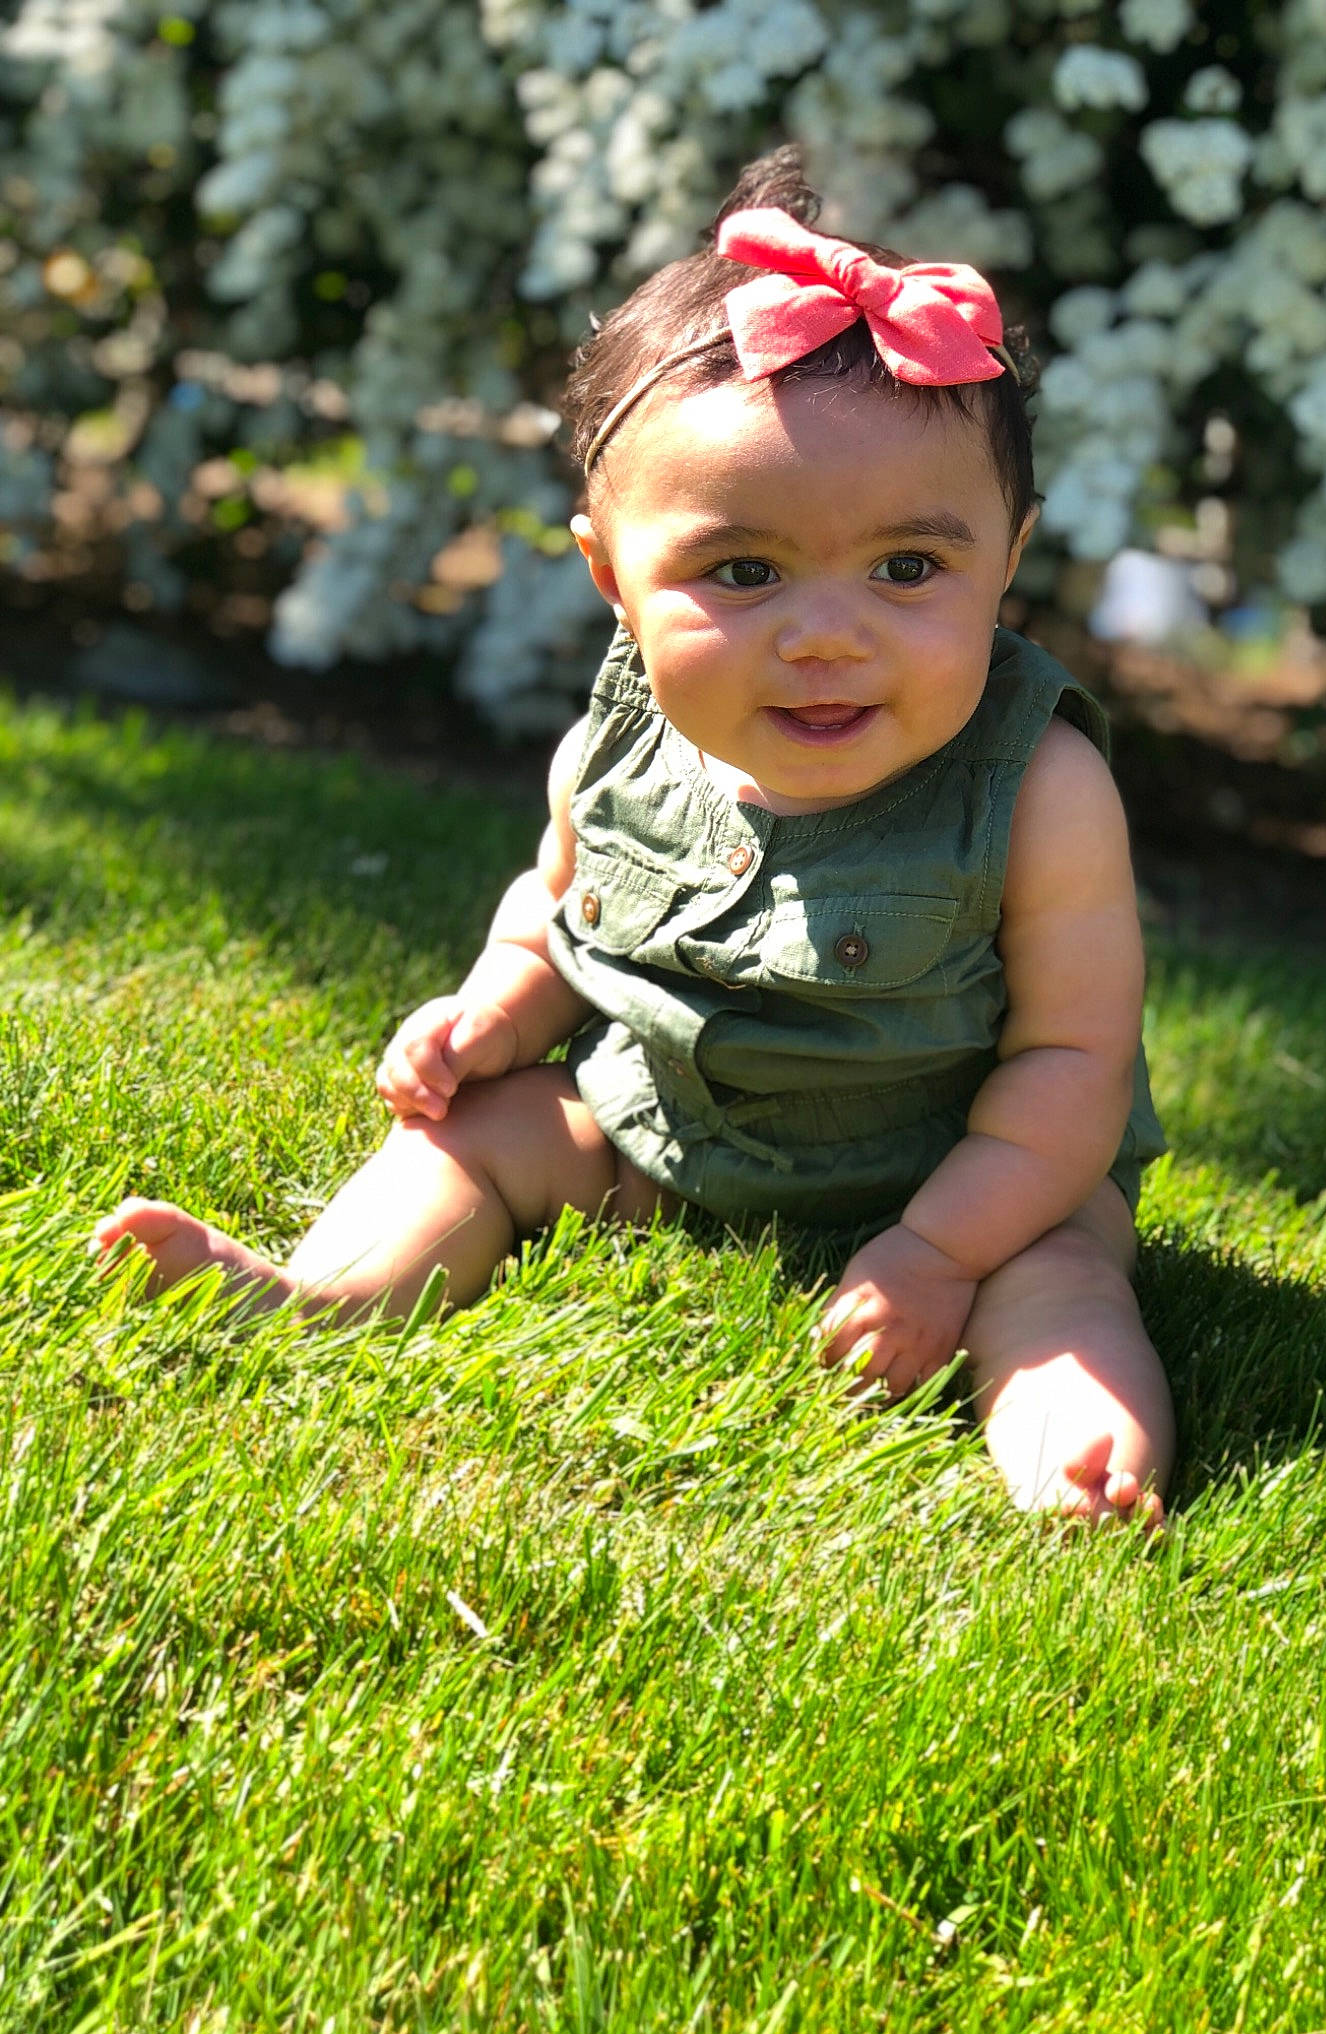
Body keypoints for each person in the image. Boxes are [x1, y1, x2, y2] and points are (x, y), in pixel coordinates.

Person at [93, 149, 1174, 1526]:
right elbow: (557, 906)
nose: (828, 633)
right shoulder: (617, 741)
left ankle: (1073, 1450)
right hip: (664, 1139)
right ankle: (318, 1290)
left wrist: (935, 1249)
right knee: (479, 1135)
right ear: (611, 573)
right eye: (744, 571)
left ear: (1007, 554)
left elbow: (1073, 1065)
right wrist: (489, 1010)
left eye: (910, 568)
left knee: (1062, 1281)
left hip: (967, 1170)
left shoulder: (1039, 785)